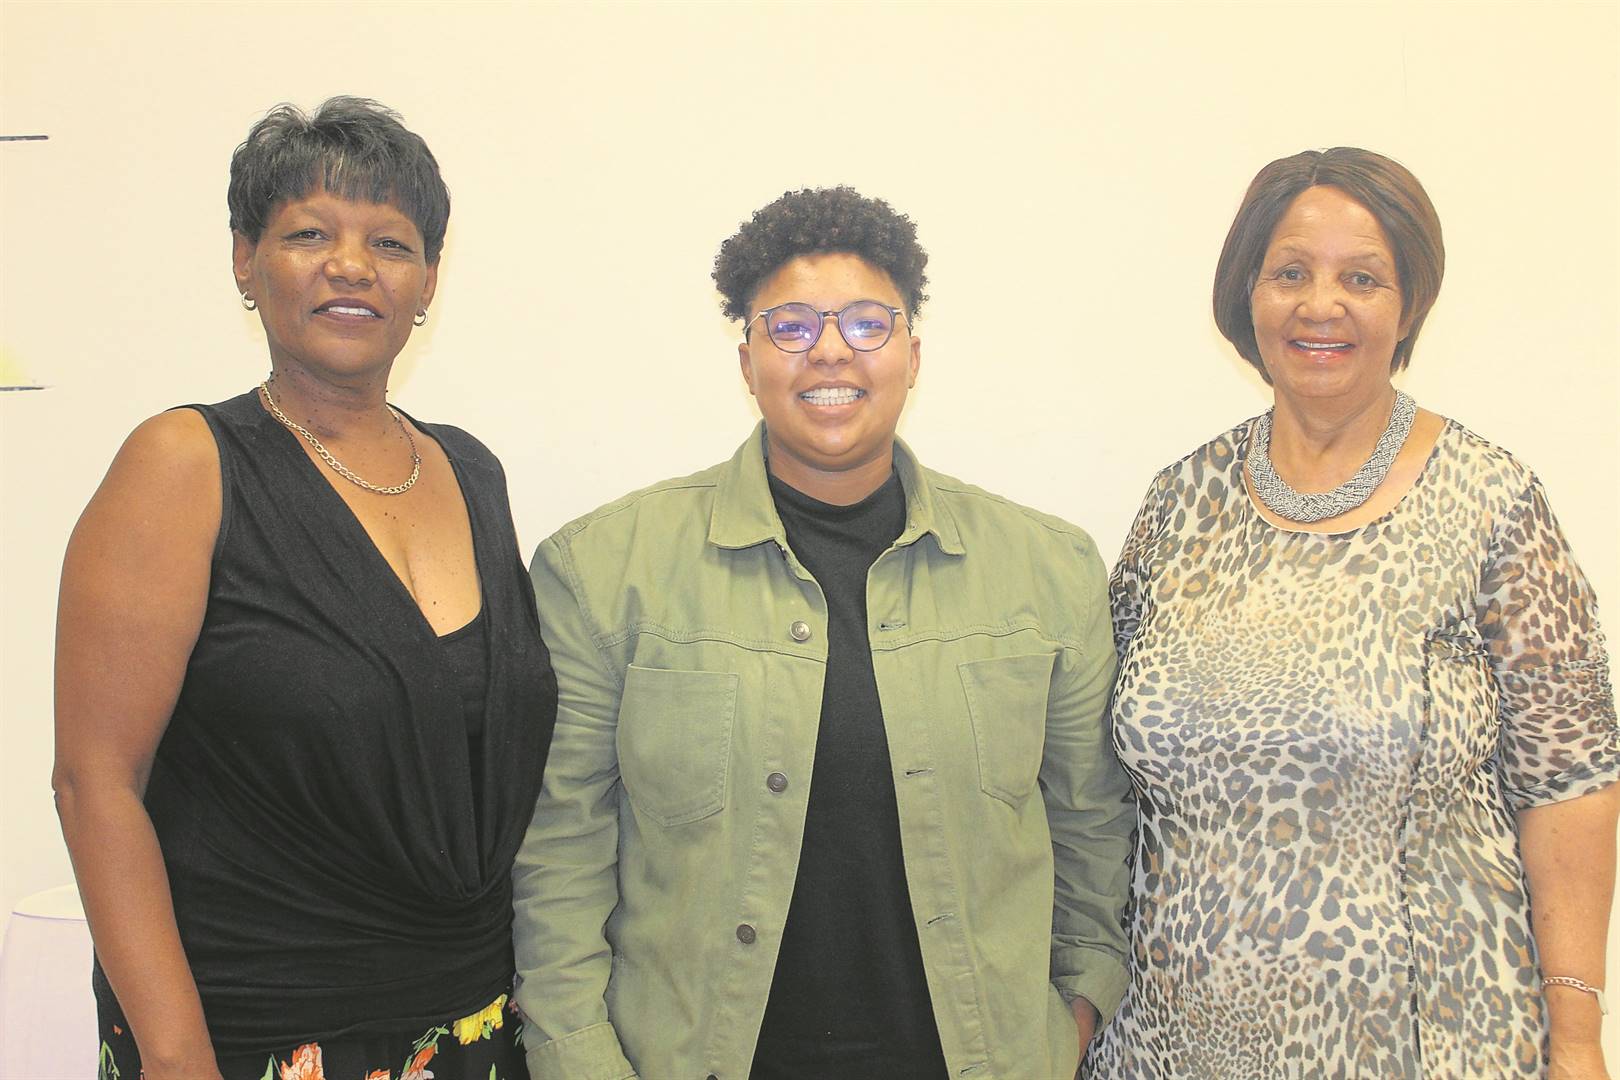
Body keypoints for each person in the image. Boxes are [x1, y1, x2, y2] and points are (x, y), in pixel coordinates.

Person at [511, 186, 1134, 1078]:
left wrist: (1071, 1014)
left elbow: (1091, 825)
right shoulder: (607, 571)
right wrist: (580, 1059)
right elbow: (560, 851)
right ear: (748, 362)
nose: (832, 348)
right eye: (792, 326)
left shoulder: (1047, 570)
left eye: (868, 323)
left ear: (913, 356)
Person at [1085, 147, 1620, 1078]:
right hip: (1172, 1044)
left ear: (1408, 306)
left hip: (1425, 1041)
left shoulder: (1490, 502)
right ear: (1247, 294)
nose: (1320, 305)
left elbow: (1571, 781)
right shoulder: (1177, 504)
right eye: (1290, 273)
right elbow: (1104, 775)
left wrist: (1576, 1034)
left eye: (1362, 279)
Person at [53, 97, 555, 1080]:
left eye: (391, 242)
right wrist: (175, 1056)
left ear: (428, 281)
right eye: (309, 234)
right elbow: (95, 781)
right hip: (253, 1035)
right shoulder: (183, 465)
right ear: (246, 261)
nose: (352, 266)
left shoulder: (471, 471)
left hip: (472, 1026)